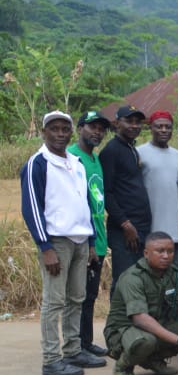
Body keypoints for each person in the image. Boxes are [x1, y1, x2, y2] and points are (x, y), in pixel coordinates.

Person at [22, 110, 106, 375]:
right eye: (54, 129)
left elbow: (85, 205)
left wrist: (92, 241)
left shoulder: (76, 164)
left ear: (71, 132)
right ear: (44, 132)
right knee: (54, 301)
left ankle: (73, 350)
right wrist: (45, 247)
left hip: (81, 239)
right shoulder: (38, 163)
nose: (59, 134)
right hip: (56, 241)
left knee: (76, 298)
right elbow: (32, 208)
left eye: (64, 129)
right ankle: (51, 359)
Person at [104, 232, 178, 375]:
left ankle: (152, 360)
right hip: (124, 330)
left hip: (155, 324)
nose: (166, 256)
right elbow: (140, 318)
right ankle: (123, 367)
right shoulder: (133, 277)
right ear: (146, 253)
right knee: (145, 341)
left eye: (170, 251)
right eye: (160, 251)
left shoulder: (173, 274)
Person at [67, 110, 111, 357]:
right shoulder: (72, 158)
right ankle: (76, 347)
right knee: (78, 296)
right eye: (92, 127)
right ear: (80, 128)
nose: (97, 132)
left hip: (99, 238)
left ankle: (86, 342)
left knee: (90, 295)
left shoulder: (95, 159)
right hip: (84, 240)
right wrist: (90, 242)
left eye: (101, 128)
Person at [100, 105, 152, 292]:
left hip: (141, 226)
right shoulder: (111, 151)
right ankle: (118, 322)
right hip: (125, 230)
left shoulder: (131, 148)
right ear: (116, 123)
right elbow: (107, 193)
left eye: (138, 122)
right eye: (128, 121)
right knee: (124, 280)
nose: (134, 125)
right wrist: (125, 224)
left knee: (139, 281)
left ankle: (135, 321)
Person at [134, 111, 178, 265]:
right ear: (151, 128)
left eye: (167, 127)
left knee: (174, 275)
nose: (163, 130)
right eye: (159, 126)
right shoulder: (139, 153)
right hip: (150, 228)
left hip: (174, 229)